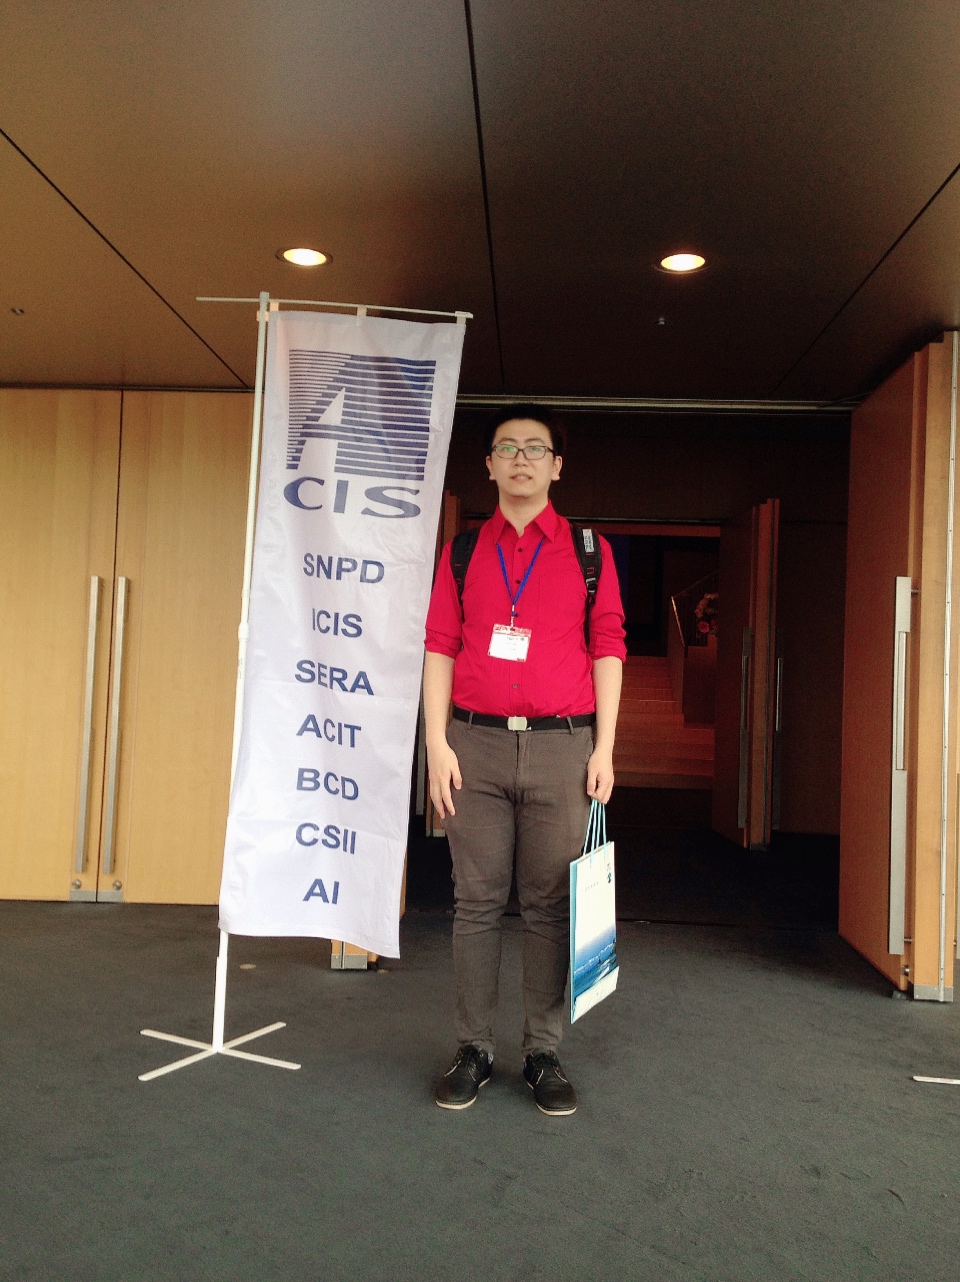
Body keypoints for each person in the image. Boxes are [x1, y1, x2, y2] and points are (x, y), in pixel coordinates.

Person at [423, 406, 626, 1115]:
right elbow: (440, 645)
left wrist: (605, 747)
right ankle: (474, 1048)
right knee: (475, 903)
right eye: (506, 447)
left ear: (556, 466)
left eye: (535, 448)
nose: (520, 458)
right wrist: (436, 742)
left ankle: (543, 1051)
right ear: (488, 464)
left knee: (546, 905)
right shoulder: (462, 552)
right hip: (473, 745)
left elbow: (608, 647)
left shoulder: (589, 552)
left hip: (561, 746)